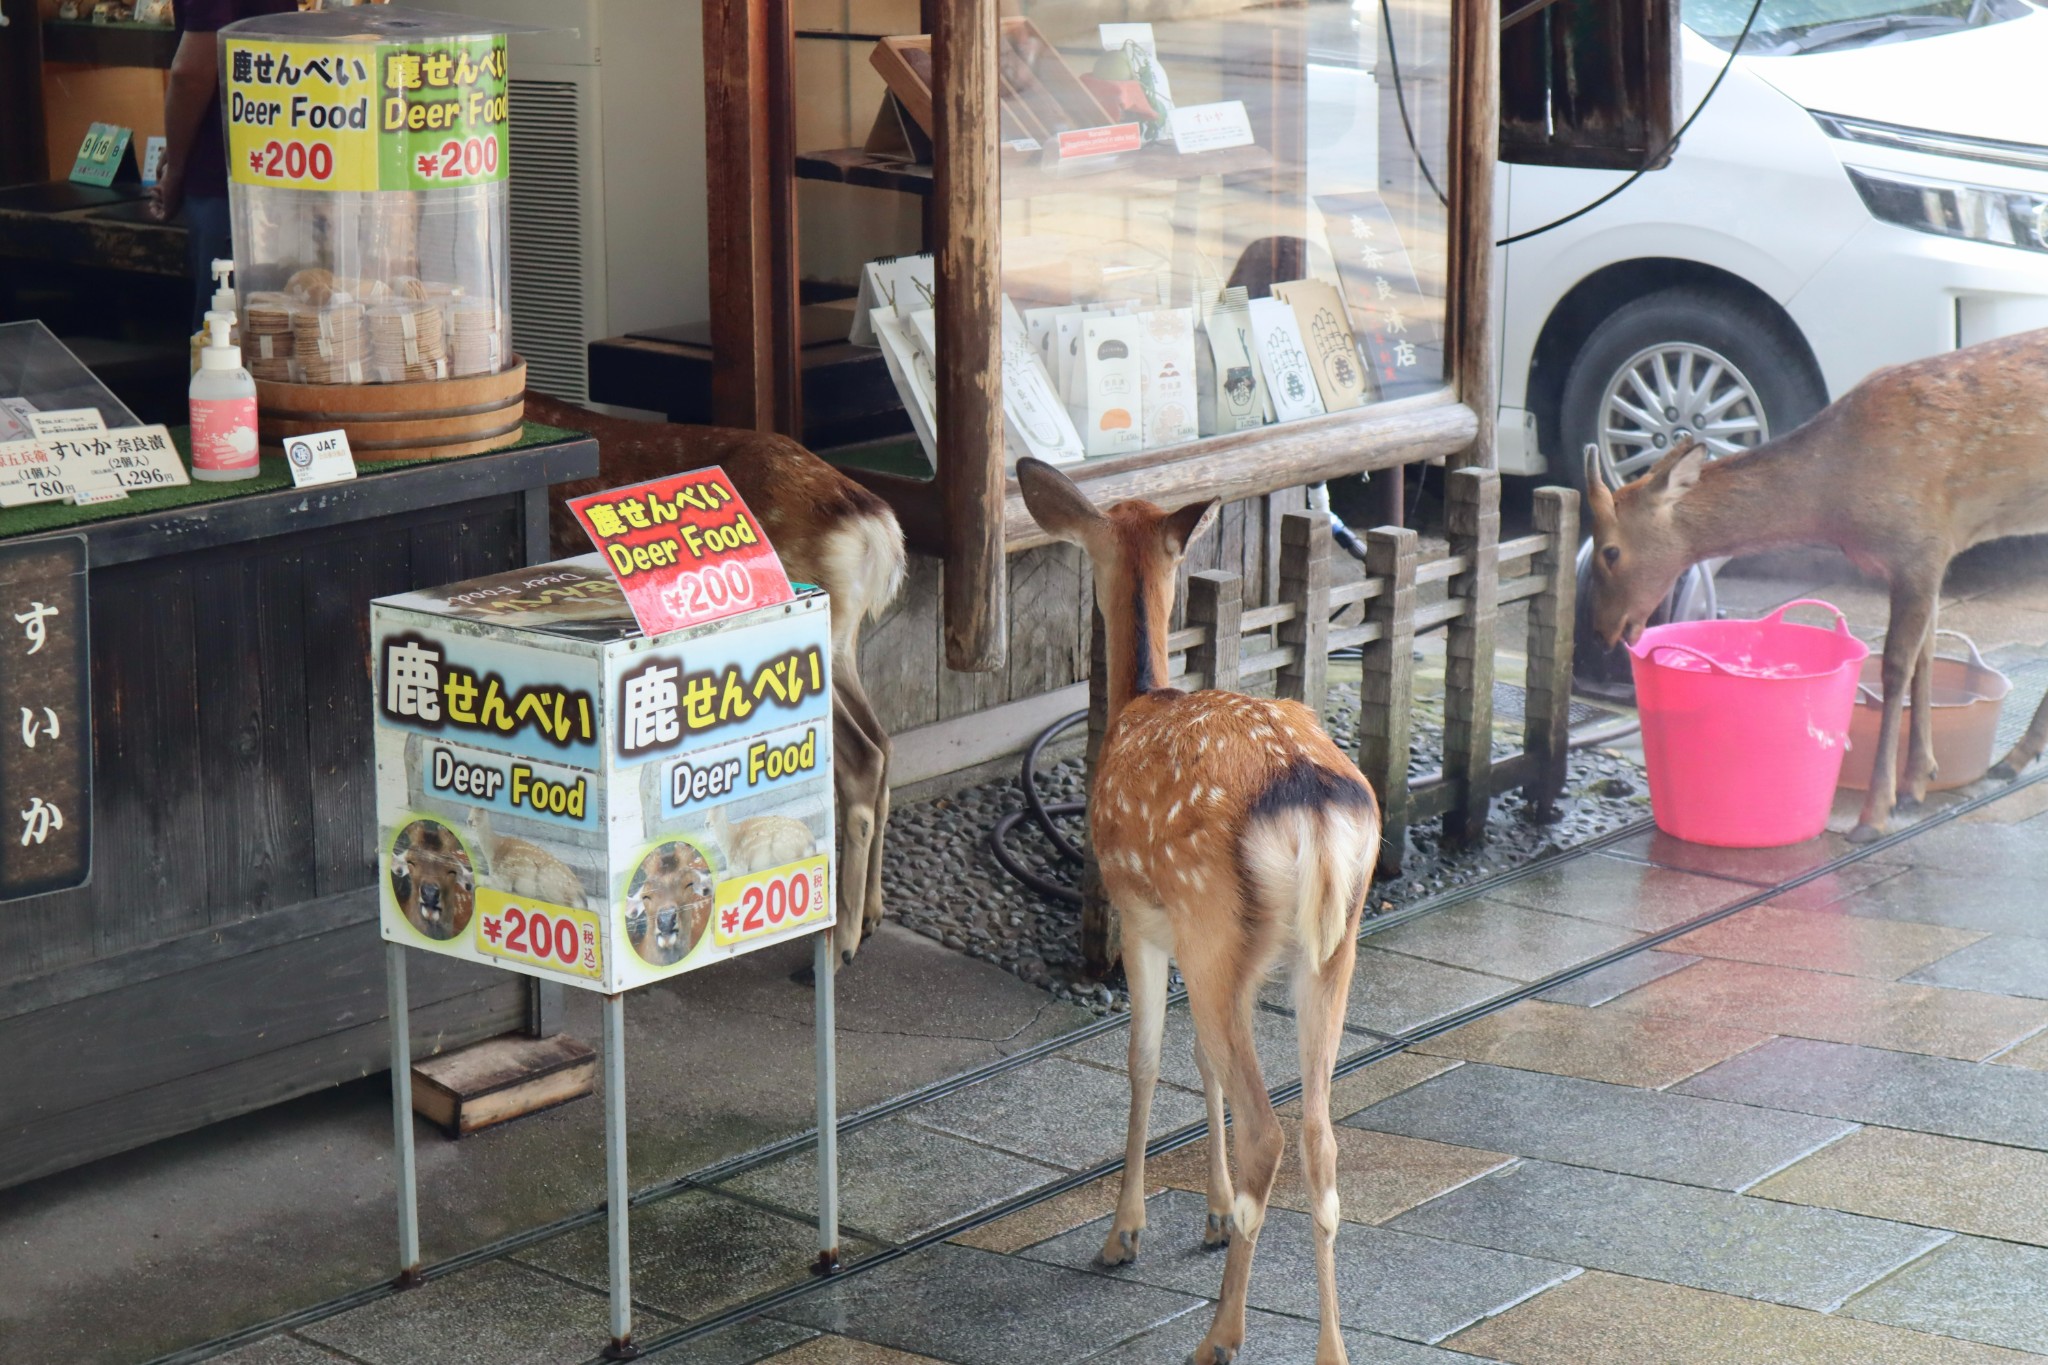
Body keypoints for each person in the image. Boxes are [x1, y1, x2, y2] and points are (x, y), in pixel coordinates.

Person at [148, 0, 296, 331]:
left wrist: (176, 169)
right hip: (271, 162)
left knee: (222, 332)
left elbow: (192, 72)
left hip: (224, 177)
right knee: (264, 330)